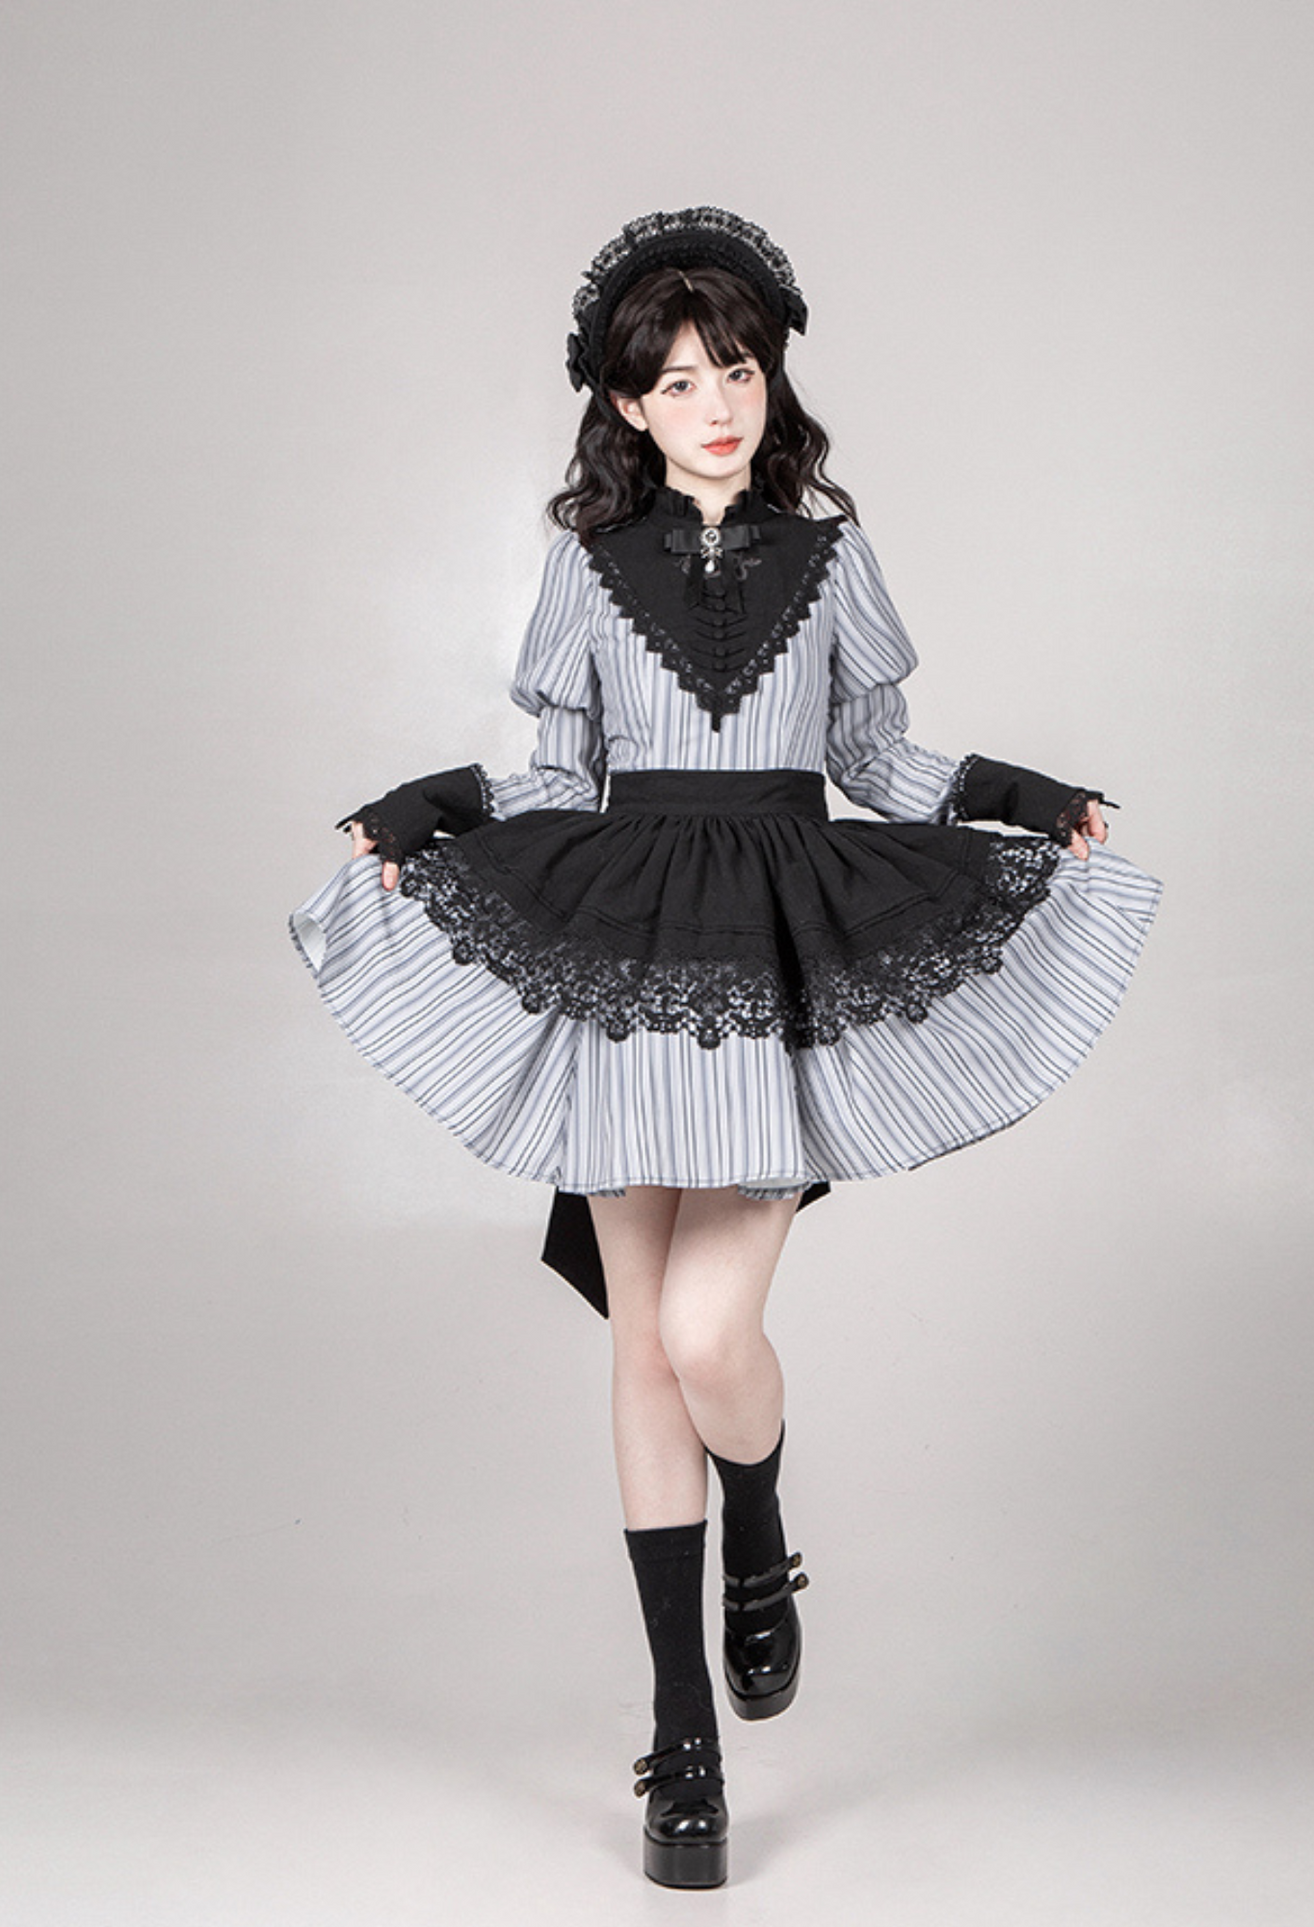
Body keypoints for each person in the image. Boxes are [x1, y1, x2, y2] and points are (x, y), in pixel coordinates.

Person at [291, 207, 1161, 1889]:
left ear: (773, 378)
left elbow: (877, 758)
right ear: (626, 405)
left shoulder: (830, 556)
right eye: (678, 381)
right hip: (623, 942)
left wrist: (1025, 795)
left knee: (707, 1330)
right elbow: (557, 776)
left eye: (738, 369)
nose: (715, 404)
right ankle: (683, 1738)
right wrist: (423, 808)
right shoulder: (585, 567)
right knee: (643, 1344)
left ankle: (756, 1521)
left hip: (767, 950)